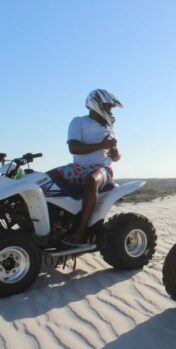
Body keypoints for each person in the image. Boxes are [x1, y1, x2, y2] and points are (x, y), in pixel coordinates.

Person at [55, 89, 123, 245]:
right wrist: (101, 145)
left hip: (102, 169)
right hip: (79, 167)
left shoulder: (109, 127)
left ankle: (81, 231)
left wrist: (114, 153)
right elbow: (74, 148)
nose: (110, 110)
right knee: (46, 178)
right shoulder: (79, 122)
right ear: (97, 104)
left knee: (91, 181)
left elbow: (117, 157)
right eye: (108, 106)